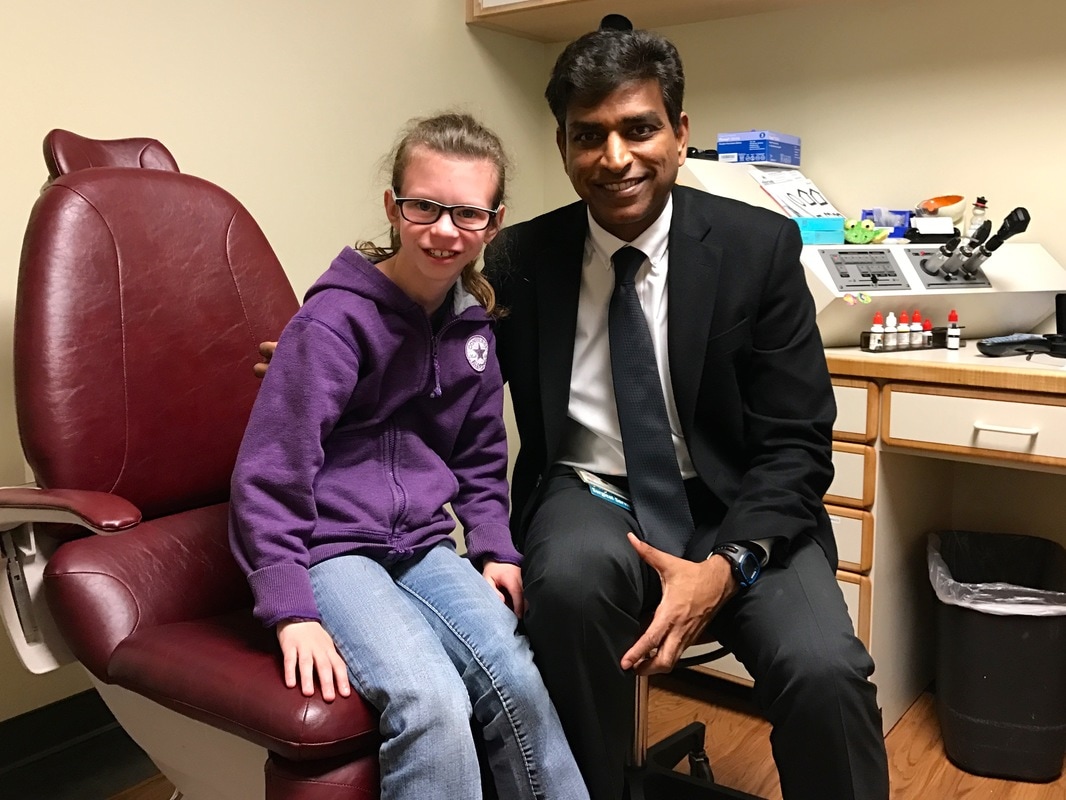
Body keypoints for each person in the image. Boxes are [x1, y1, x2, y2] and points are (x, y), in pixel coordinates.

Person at [481, 22, 891, 800]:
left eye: (639, 129)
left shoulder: (761, 249)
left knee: (825, 670)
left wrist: (726, 567)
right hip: (593, 492)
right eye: (587, 136)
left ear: (679, 131)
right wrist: (329, 346)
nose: (615, 158)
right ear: (562, 144)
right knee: (563, 589)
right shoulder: (520, 259)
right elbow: (434, 355)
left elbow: (798, 445)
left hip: (741, 503)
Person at [229, 112, 589, 800]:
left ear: (493, 221)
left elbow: (482, 458)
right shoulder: (333, 324)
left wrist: (493, 548)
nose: (445, 230)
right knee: (432, 703)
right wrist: (291, 609)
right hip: (331, 548)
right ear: (394, 207)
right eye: (425, 206)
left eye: (468, 213)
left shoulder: (473, 329)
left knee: (518, 678)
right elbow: (271, 475)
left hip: (423, 545)